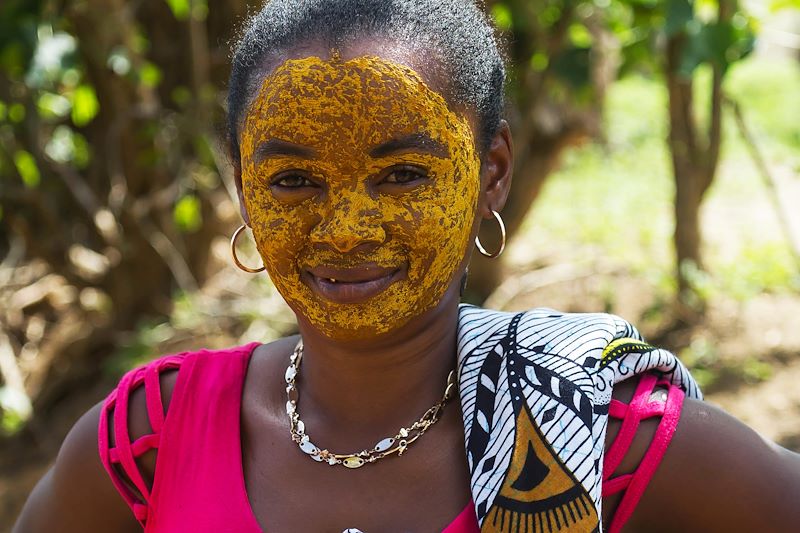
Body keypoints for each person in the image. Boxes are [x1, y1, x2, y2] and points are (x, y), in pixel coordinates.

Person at [13, 1, 800, 532]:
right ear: (244, 181)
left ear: (492, 172)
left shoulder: (597, 431)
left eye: (402, 174)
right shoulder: (153, 437)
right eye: (293, 179)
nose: (347, 227)